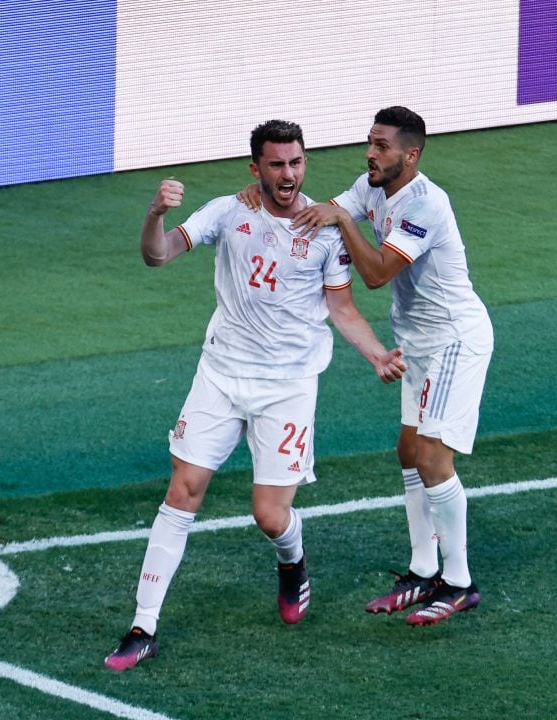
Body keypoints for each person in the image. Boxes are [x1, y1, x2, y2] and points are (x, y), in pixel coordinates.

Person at [104, 119, 406, 671]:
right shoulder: (230, 211)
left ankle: (292, 562)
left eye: (295, 163)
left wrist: (377, 354)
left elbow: (341, 307)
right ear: (256, 169)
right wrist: (155, 214)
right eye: (276, 164)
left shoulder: (325, 229)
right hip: (220, 375)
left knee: (270, 516)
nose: (288, 174)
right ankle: (142, 625)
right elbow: (158, 255)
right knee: (184, 491)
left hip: (287, 388)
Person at [251, 106, 494, 626]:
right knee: (409, 450)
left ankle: (459, 582)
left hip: (454, 339)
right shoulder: (370, 186)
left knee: (432, 456)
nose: (371, 153)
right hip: (417, 342)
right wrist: (263, 200)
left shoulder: (426, 204)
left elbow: (379, 272)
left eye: (382, 146)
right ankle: (423, 569)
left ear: (412, 154)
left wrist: (342, 220)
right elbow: (315, 214)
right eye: (370, 142)